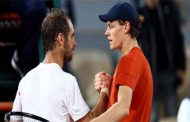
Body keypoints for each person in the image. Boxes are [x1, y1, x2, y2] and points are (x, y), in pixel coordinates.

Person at [12, 8, 110, 122]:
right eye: (72, 36)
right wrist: (105, 92)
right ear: (61, 39)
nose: (75, 43)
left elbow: (14, 120)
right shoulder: (67, 81)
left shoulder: (25, 81)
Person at [91, 2, 153, 122]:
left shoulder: (129, 60)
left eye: (111, 26)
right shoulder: (138, 59)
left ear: (126, 27)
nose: (106, 32)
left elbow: (122, 108)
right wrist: (106, 89)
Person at [138, 0, 186, 121]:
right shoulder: (140, 15)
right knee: (151, 113)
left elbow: (178, 39)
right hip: (150, 73)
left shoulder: (168, 11)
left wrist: (181, 67)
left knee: (172, 112)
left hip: (168, 71)